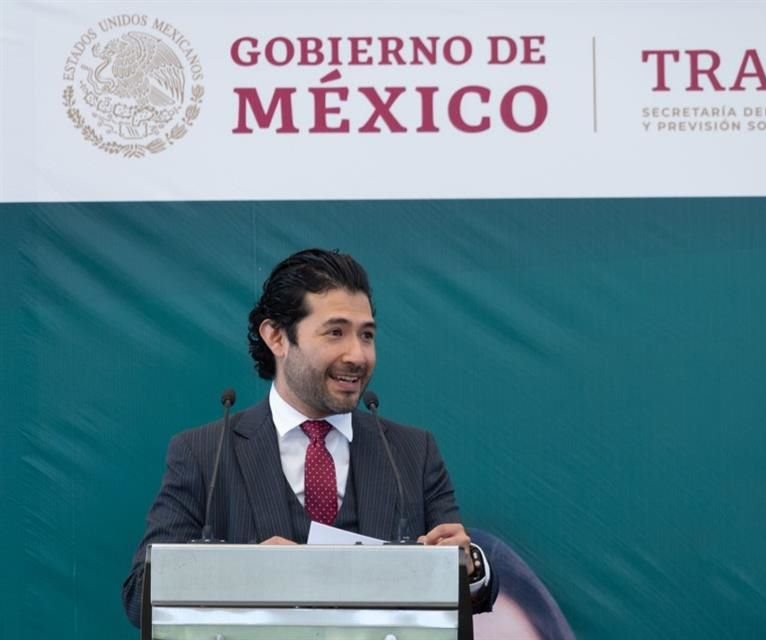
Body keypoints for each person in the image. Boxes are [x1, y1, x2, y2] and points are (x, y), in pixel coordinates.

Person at [122, 248, 497, 627]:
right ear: (277, 337)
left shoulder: (414, 453)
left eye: (366, 336)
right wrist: (245, 572)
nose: (358, 355)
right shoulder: (204, 454)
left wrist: (470, 566)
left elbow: (468, 588)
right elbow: (140, 595)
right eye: (336, 332)